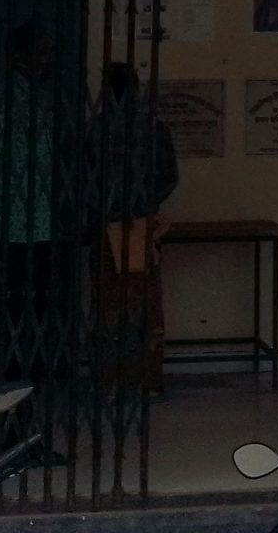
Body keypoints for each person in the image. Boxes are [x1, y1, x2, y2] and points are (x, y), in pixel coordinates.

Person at [0, 23, 74, 374]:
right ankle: (11, 378)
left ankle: (24, 378)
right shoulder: (3, 102)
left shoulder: (45, 101)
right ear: (19, 58)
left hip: (35, 221)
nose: (50, 59)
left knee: (30, 309)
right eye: (43, 51)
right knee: (17, 309)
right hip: (12, 223)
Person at [83, 62, 179, 394]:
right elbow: (169, 177)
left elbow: (80, 181)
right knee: (145, 305)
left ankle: (109, 382)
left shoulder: (94, 130)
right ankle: (147, 381)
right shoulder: (153, 128)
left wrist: (105, 208)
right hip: (141, 227)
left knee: (107, 306)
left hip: (104, 226)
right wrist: (143, 206)